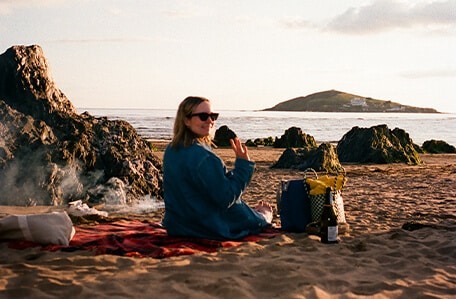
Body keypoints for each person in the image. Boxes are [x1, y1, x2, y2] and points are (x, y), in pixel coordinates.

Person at [162, 96, 273, 240]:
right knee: (258, 219)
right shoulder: (205, 158)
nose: (210, 121)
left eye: (213, 116)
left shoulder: (171, 150)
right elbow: (225, 198)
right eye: (203, 116)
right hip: (207, 227)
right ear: (186, 120)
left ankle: (257, 213)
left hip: (178, 225)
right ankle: (264, 216)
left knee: (243, 209)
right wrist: (243, 166)